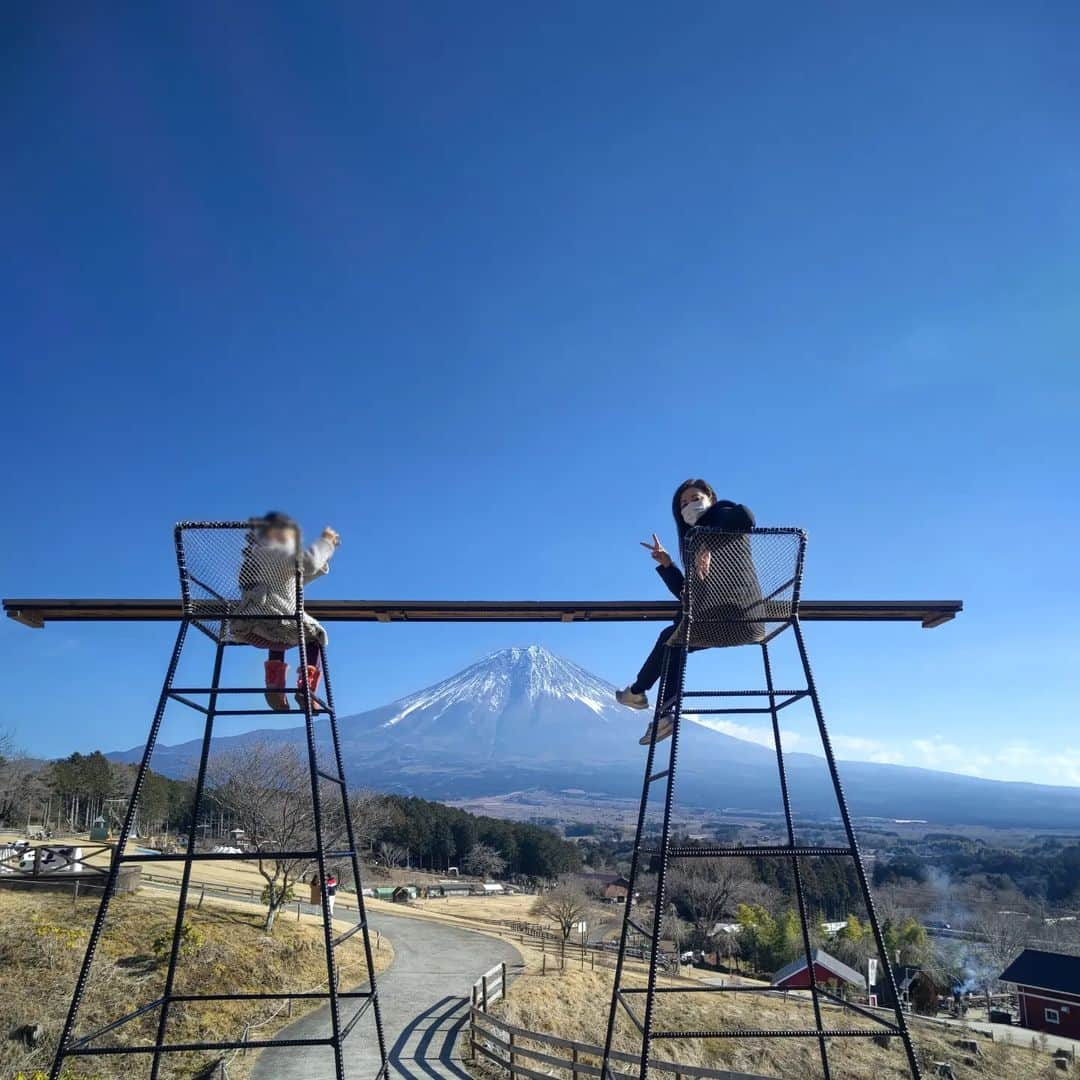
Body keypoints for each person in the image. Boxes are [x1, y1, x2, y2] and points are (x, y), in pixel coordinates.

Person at [615, 479, 755, 744]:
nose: (690, 505)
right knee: (673, 640)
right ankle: (659, 711)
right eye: (683, 503)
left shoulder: (722, 513)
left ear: (711, 497)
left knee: (674, 637)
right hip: (724, 622)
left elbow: (746, 516)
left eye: (695, 498)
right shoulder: (694, 543)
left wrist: (708, 543)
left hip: (737, 617)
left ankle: (639, 693)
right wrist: (667, 564)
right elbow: (686, 595)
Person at [230, 512, 341, 711]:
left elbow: (294, 580)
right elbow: (308, 563)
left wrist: (321, 564)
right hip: (280, 626)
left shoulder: (251, 562)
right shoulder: (277, 553)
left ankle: (274, 687)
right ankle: (306, 689)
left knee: (277, 625)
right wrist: (327, 542)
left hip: (249, 629)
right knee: (314, 635)